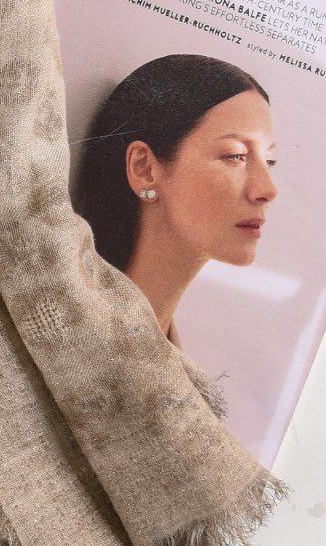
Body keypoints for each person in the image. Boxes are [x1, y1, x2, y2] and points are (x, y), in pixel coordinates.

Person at [71, 53, 278, 350]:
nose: (267, 189)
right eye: (236, 156)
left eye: (270, 161)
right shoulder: (81, 338)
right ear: (144, 168)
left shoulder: (167, 356)